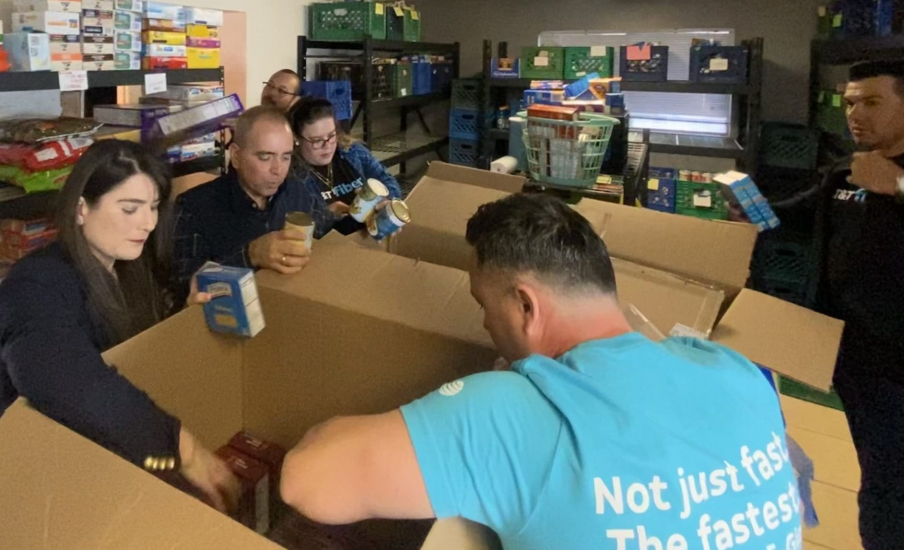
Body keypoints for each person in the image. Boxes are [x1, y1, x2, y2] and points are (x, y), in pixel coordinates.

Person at [279, 193, 802, 549]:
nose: (485, 322)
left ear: (526, 306)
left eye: (484, 303)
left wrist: (506, 392)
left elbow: (306, 480)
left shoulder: (517, 413)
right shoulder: (736, 371)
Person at [0, 140, 238, 512]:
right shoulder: (37, 284)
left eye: (154, 207)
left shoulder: (130, 267)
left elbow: (135, 357)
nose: (148, 223)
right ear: (81, 209)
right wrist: (184, 448)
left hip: (105, 453)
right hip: (35, 471)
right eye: (130, 209)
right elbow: (64, 379)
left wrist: (182, 319)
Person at [773, 60, 904, 549]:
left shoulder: (886, 176)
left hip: (897, 365)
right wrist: (749, 208)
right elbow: (793, 217)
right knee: (879, 470)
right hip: (853, 360)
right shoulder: (846, 172)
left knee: (888, 486)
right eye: (849, 103)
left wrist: (896, 186)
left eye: (872, 102)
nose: (855, 114)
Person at [173, 105, 339, 304]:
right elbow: (183, 292)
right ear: (236, 156)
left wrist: (365, 216)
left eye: (286, 157)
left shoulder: (295, 190)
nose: (278, 170)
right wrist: (250, 255)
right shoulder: (194, 208)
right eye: (265, 157)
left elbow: (325, 225)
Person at [289, 98, 402, 226]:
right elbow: (297, 226)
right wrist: (327, 215)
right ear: (296, 138)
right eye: (316, 140)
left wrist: (385, 201)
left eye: (331, 136)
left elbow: (386, 179)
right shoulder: (292, 175)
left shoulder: (352, 151)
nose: (327, 146)